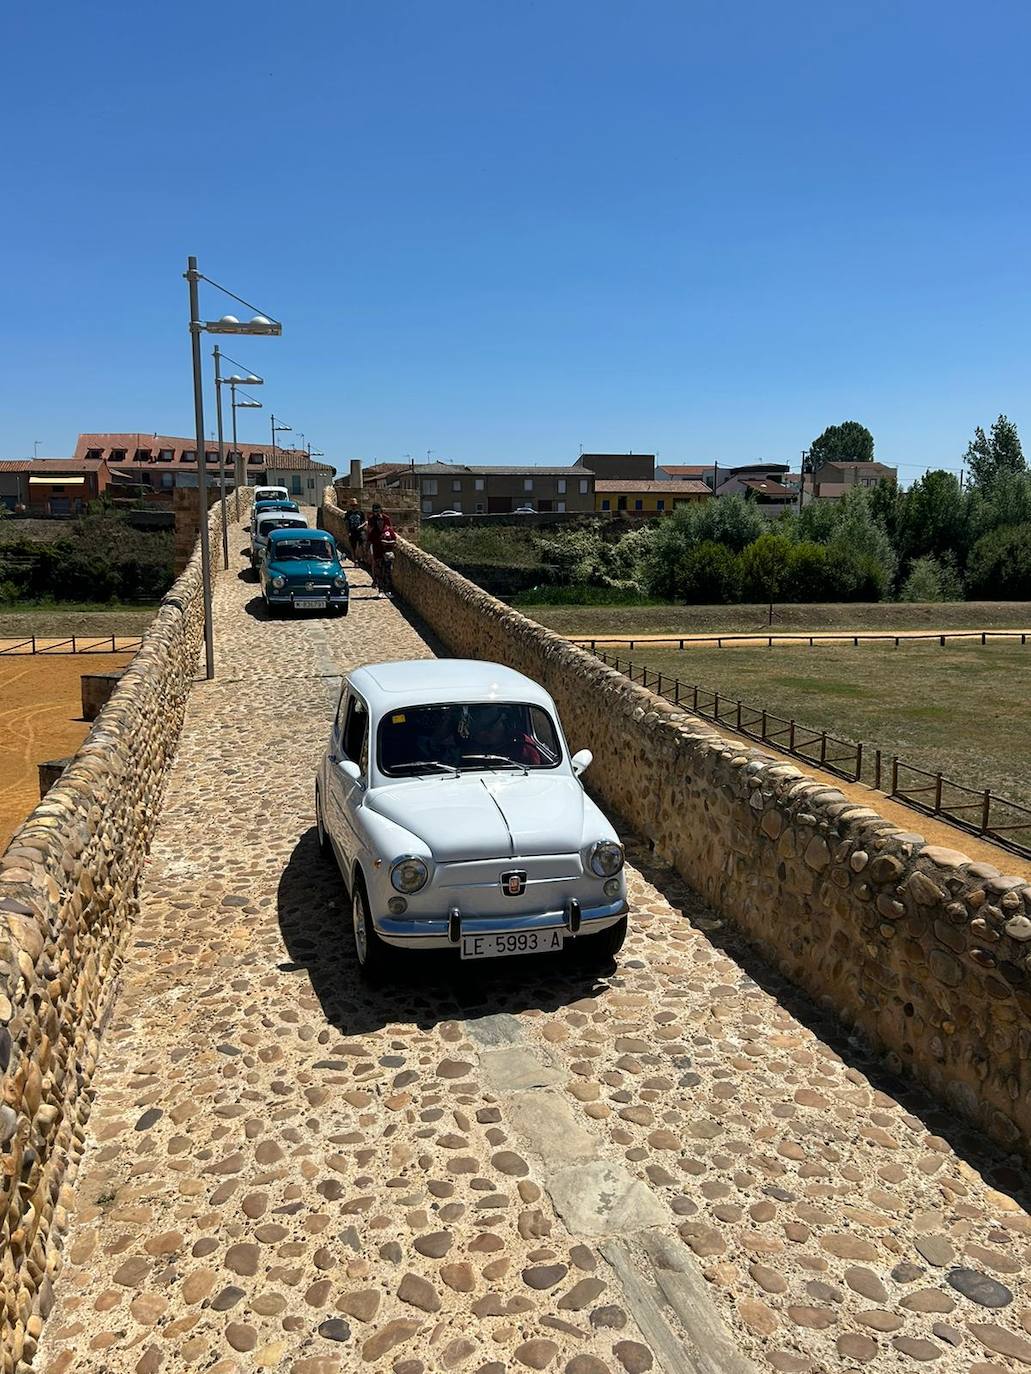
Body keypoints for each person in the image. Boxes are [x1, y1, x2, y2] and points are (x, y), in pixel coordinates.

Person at [367, 503, 397, 597]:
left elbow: (394, 538)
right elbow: (369, 537)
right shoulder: (373, 526)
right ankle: (380, 589)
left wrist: (387, 543)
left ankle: (387, 590)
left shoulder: (387, 523)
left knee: (387, 572)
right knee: (378, 570)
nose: (379, 522)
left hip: (387, 553)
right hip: (377, 552)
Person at [344, 498, 366, 567]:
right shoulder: (348, 513)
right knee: (353, 547)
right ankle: (356, 561)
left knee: (361, 547)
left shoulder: (360, 513)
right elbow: (346, 523)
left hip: (359, 532)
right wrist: (348, 532)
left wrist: (361, 527)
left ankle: (361, 559)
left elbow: (365, 522)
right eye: (352, 505)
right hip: (352, 532)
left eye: (354, 505)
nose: (353, 506)